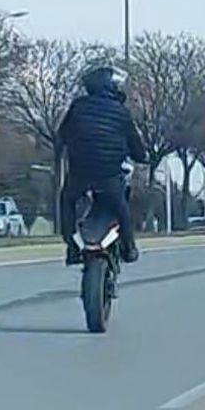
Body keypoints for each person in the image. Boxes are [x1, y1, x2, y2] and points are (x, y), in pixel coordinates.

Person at [56, 65, 147, 265]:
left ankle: (72, 247)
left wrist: (63, 155)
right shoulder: (121, 112)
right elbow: (135, 144)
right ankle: (129, 248)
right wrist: (142, 156)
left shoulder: (78, 107)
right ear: (110, 87)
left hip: (79, 172)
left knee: (67, 200)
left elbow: (62, 135)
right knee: (121, 207)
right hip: (109, 173)